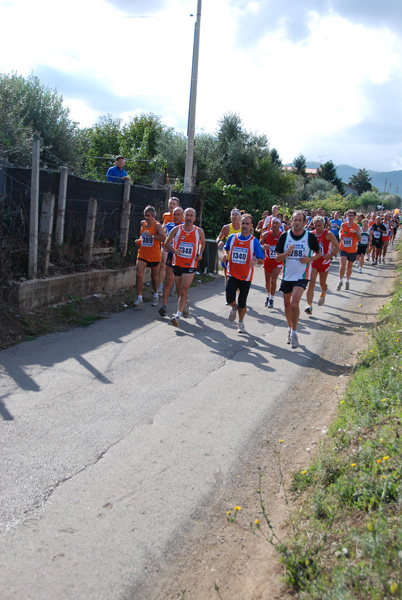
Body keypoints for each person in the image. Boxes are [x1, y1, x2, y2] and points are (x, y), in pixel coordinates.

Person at [275, 211, 321, 348]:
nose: (297, 222)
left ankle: (295, 333)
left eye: (300, 220)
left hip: (302, 276)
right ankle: (289, 329)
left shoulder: (309, 237)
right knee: (287, 306)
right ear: (291, 222)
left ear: (304, 222)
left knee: (294, 304)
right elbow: (277, 257)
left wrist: (310, 259)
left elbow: (318, 254)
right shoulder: (284, 237)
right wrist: (287, 253)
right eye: (295, 220)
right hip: (287, 275)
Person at [222, 213, 264, 333]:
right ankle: (233, 307)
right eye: (243, 223)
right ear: (240, 224)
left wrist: (256, 260)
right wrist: (225, 254)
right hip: (232, 273)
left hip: (246, 276)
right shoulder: (233, 238)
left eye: (247, 224)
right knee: (229, 298)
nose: (244, 226)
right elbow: (226, 247)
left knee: (242, 302)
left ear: (251, 226)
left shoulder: (254, 241)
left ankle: (240, 322)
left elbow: (261, 259)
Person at [164, 207, 205, 327]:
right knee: (179, 291)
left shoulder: (199, 231)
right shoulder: (177, 229)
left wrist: (200, 253)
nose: (189, 218)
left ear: (195, 218)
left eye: (191, 216)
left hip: (191, 264)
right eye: (187, 215)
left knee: (183, 290)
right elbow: (166, 243)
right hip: (177, 263)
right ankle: (185, 303)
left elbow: (202, 243)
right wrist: (174, 251)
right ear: (184, 217)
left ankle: (177, 316)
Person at [304, 215, 339, 314]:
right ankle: (309, 305)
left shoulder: (328, 234)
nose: (318, 228)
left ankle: (323, 294)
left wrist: (330, 255)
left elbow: (337, 246)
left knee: (322, 283)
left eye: (320, 225)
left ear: (324, 225)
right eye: (316, 225)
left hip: (324, 261)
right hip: (314, 261)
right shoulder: (311, 234)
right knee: (311, 284)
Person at [134, 206, 166, 307]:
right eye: (145, 215)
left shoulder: (157, 226)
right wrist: (139, 241)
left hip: (154, 255)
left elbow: (163, 238)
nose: (146, 218)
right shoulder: (143, 224)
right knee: (139, 274)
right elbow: (142, 236)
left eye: (148, 216)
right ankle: (139, 298)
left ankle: (156, 294)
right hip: (142, 253)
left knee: (154, 276)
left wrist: (152, 236)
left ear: (153, 216)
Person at [158, 206, 184, 317]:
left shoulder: (185, 228)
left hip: (183, 259)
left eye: (178, 215)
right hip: (171, 256)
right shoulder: (169, 226)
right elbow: (166, 241)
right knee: (168, 281)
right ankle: (164, 306)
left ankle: (184, 303)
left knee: (181, 286)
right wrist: (166, 246)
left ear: (182, 217)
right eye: (174, 215)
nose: (176, 217)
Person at [157, 197, 180, 296]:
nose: (171, 205)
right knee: (162, 264)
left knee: (174, 266)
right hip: (165, 244)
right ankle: (160, 286)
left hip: (174, 246)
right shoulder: (165, 215)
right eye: (170, 203)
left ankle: (172, 284)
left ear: (177, 206)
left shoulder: (181, 217)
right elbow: (163, 226)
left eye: (174, 204)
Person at [261, 218, 283, 309]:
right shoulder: (266, 234)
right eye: (273, 223)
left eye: (276, 223)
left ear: (279, 225)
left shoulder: (283, 235)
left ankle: (272, 299)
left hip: (278, 261)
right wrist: (264, 247)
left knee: (273, 280)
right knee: (267, 281)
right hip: (268, 260)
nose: (274, 225)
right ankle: (268, 295)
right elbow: (259, 245)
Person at [336, 210, 361, 291]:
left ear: (354, 217)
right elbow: (340, 231)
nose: (350, 217)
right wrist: (340, 235)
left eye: (351, 216)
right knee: (342, 265)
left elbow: (359, 239)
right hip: (343, 248)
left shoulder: (356, 226)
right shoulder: (343, 225)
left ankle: (347, 281)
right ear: (346, 216)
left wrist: (356, 232)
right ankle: (340, 281)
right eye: (348, 216)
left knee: (349, 267)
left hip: (352, 249)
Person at [216, 209, 242, 284]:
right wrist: (219, 241)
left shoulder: (243, 227)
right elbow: (219, 237)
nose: (234, 216)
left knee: (238, 279)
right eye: (232, 215)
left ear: (239, 217)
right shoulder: (226, 228)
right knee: (228, 278)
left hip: (239, 258)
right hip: (227, 257)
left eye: (236, 215)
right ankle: (228, 293)